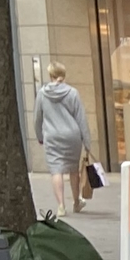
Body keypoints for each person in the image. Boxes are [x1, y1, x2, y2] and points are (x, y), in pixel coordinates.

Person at [34, 64, 90, 215]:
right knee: (73, 169)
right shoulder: (73, 93)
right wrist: (87, 142)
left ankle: (61, 206)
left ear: (50, 75)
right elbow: (81, 118)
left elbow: (37, 118)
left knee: (56, 170)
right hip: (72, 136)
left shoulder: (42, 94)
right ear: (63, 75)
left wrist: (40, 136)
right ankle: (76, 202)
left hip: (52, 136)